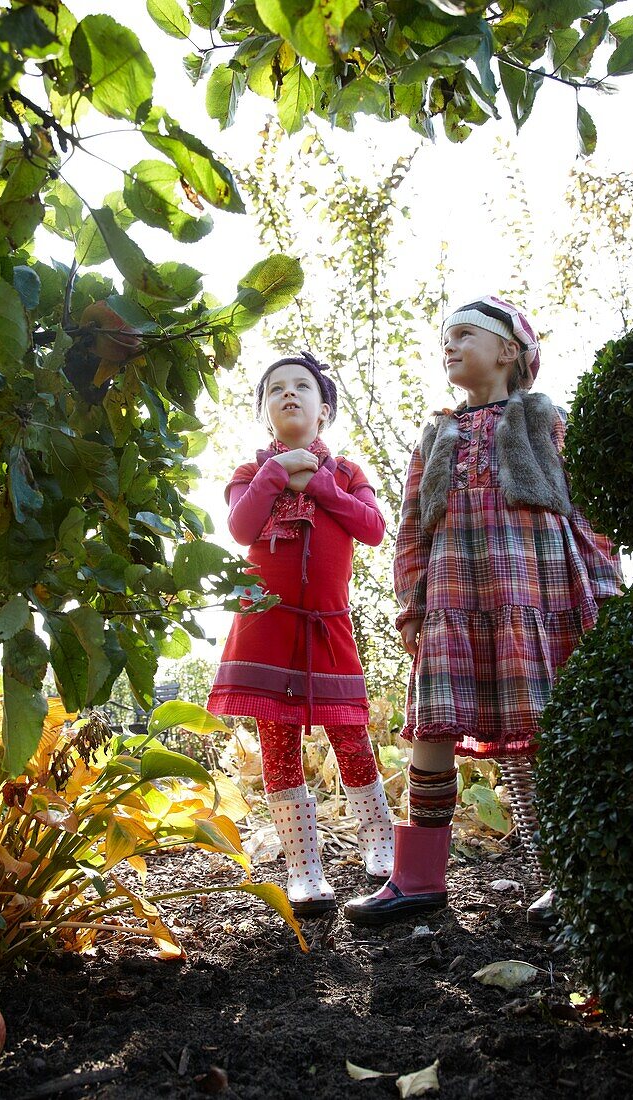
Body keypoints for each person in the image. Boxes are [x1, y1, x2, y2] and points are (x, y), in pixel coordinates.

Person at [345, 296, 623, 927]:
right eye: (446, 336)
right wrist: (411, 600)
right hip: (452, 599)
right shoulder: (437, 433)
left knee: (537, 729)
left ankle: (563, 873)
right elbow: (414, 523)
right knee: (434, 726)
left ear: (508, 351)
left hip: (530, 590)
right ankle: (417, 879)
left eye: (466, 333)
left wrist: (600, 586)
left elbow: (586, 510)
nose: (451, 343)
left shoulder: (547, 421)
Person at [208, 351, 393, 917]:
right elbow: (241, 526)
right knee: (278, 746)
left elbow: (374, 529)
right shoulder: (249, 473)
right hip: (265, 628)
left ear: (325, 408)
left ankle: (382, 852)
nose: (289, 395)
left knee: (351, 736)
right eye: (275, 390)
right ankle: (303, 870)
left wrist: (321, 487)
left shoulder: (347, 474)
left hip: (328, 629)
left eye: (302, 387)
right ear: (265, 411)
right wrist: (275, 472)